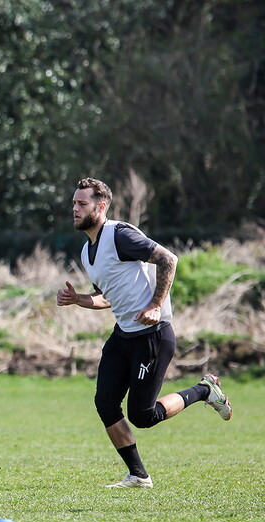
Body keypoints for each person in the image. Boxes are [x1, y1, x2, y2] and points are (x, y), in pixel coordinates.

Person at [57, 177, 232, 489]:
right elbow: (107, 296)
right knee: (105, 404)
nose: (75, 208)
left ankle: (204, 391)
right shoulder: (87, 251)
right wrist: (78, 300)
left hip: (153, 336)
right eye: (73, 203)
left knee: (144, 416)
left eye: (81, 203)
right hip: (123, 335)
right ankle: (138, 476)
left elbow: (168, 259)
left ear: (101, 206)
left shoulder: (120, 234)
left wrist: (155, 303)